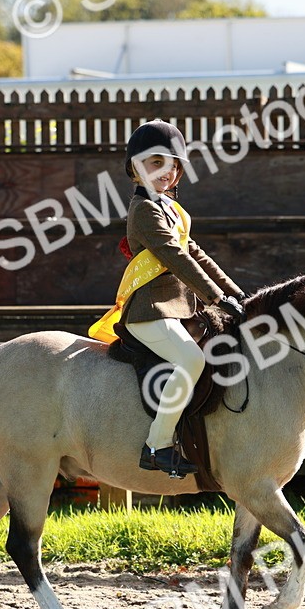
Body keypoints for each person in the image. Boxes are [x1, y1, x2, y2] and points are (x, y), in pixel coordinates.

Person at [97, 119, 246, 478]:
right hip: (151, 313)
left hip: (179, 311)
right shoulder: (144, 211)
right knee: (192, 361)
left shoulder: (173, 211)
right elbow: (175, 258)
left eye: (172, 165)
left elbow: (197, 254)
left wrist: (235, 293)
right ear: (135, 167)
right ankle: (156, 445)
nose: (166, 172)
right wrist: (214, 297)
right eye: (155, 163)